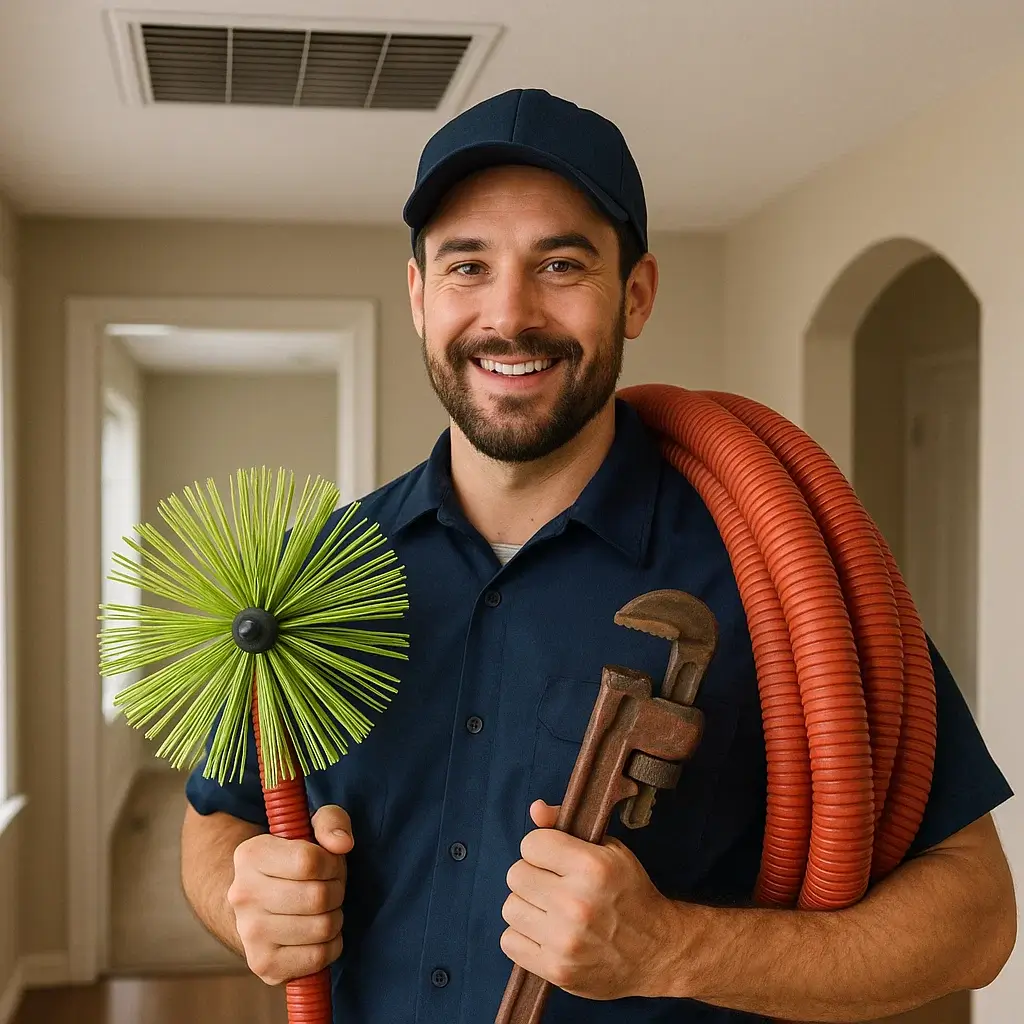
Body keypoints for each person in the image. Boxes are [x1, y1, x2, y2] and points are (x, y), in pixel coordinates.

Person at [181, 89, 1016, 1023]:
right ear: (419, 297)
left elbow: (975, 919)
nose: (510, 313)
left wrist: (675, 949)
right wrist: (242, 895)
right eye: (467, 265)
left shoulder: (782, 576)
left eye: (562, 263)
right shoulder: (306, 581)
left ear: (637, 294)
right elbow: (220, 815)